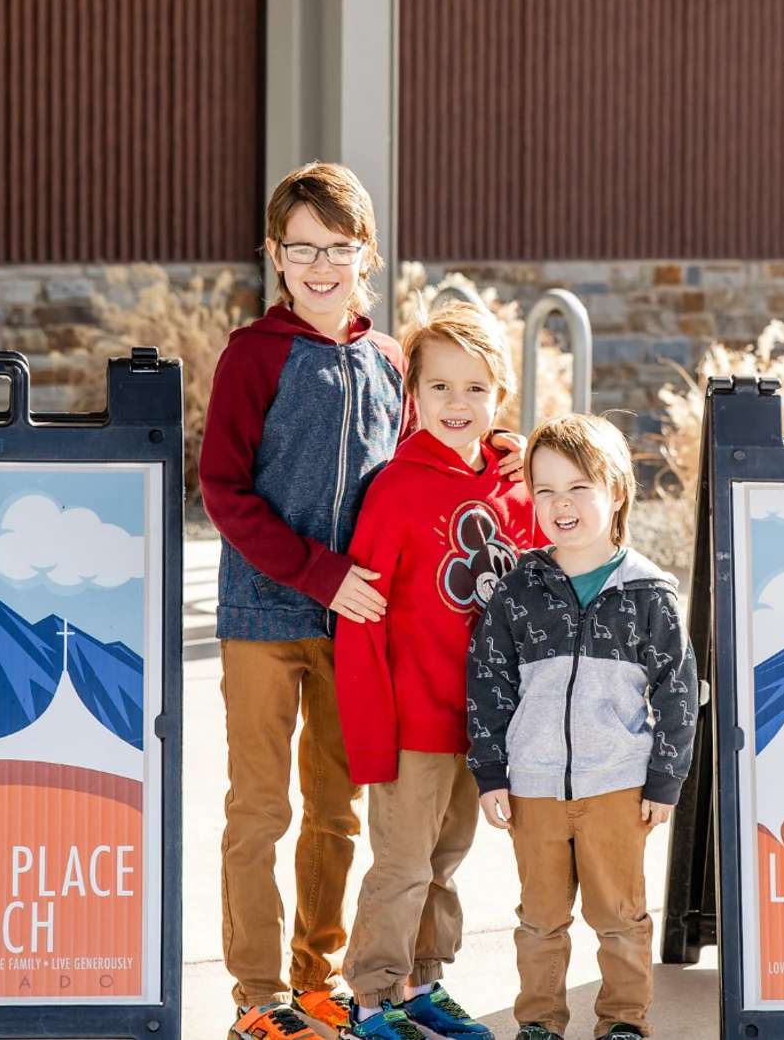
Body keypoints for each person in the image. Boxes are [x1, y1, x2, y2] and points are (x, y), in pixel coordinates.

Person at [201, 161, 404, 1040]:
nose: (319, 266)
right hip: (264, 619)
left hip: (357, 628)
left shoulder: (390, 359)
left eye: (338, 248)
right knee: (260, 809)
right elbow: (222, 488)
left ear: (368, 254)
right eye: (300, 249)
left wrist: (498, 449)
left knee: (336, 808)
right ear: (275, 256)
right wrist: (318, 573)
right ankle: (257, 995)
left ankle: (315, 979)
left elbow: (418, 458)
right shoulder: (254, 356)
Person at [331, 303, 543, 1040]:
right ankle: (368, 999)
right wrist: (368, 729)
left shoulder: (518, 487)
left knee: (448, 858)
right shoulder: (395, 489)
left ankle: (424, 981)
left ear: (500, 396)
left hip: (486, 724)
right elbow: (360, 621)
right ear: (412, 396)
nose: (459, 405)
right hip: (413, 718)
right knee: (401, 865)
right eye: (442, 388)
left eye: (477, 388)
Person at [464, 413, 699, 1040]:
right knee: (539, 918)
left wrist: (664, 781)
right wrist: (490, 772)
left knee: (619, 916)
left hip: (617, 787)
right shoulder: (519, 590)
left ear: (616, 491)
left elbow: (677, 692)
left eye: (578, 489)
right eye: (545, 490)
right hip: (533, 785)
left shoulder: (649, 593)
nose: (560, 505)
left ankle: (624, 1021)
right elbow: (488, 684)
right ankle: (539, 1023)